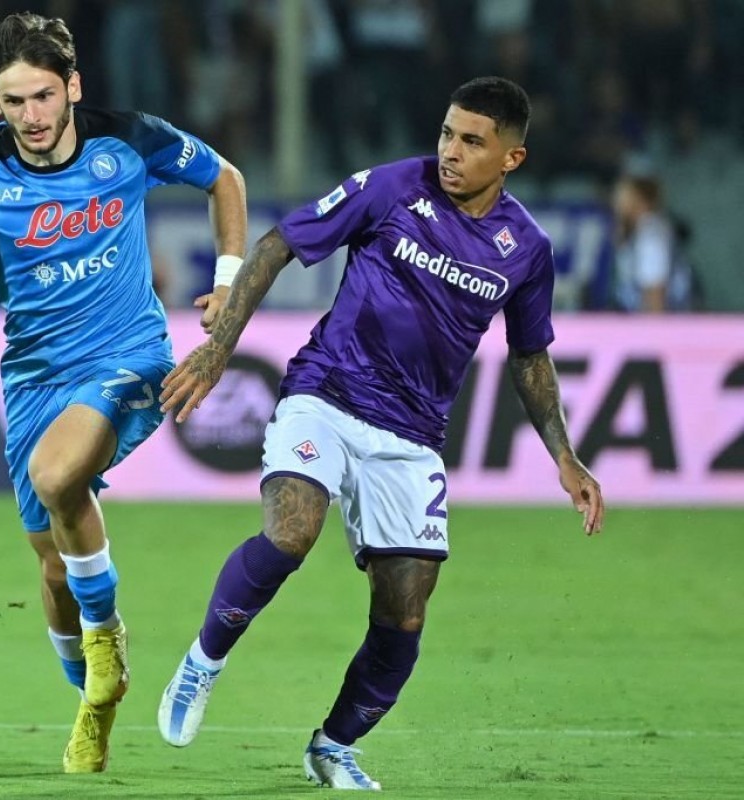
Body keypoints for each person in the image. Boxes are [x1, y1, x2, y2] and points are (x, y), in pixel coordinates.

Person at [156, 76, 605, 791]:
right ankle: (202, 662)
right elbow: (277, 245)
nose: (450, 151)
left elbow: (529, 356)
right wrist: (218, 350)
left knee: (404, 617)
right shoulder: (393, 187)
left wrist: (565, 455)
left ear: (511, 159)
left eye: (472, 141)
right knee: (290, 534)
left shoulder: (526, 248)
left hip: (412, 435)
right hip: (326, 394)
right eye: (447, 133)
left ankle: (332, 746)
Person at [0, 12, 247, 774]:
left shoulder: (129, 138)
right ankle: (93, 696)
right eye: (14, 101)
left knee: (55, 475)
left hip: (129, 355)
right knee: (50, 561)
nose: (32, 116)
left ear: (72, 86)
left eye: (43, 96)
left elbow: (225, 179)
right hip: (35, 375)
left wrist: (229, 283)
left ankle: (106, 642)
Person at [610, 173, 694, 312]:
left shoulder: (651, 234)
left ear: (641, 200)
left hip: (662, 318)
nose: (617, 203)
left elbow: (655, 294)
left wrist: (651, 326)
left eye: (624, 197)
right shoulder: (639, 230)